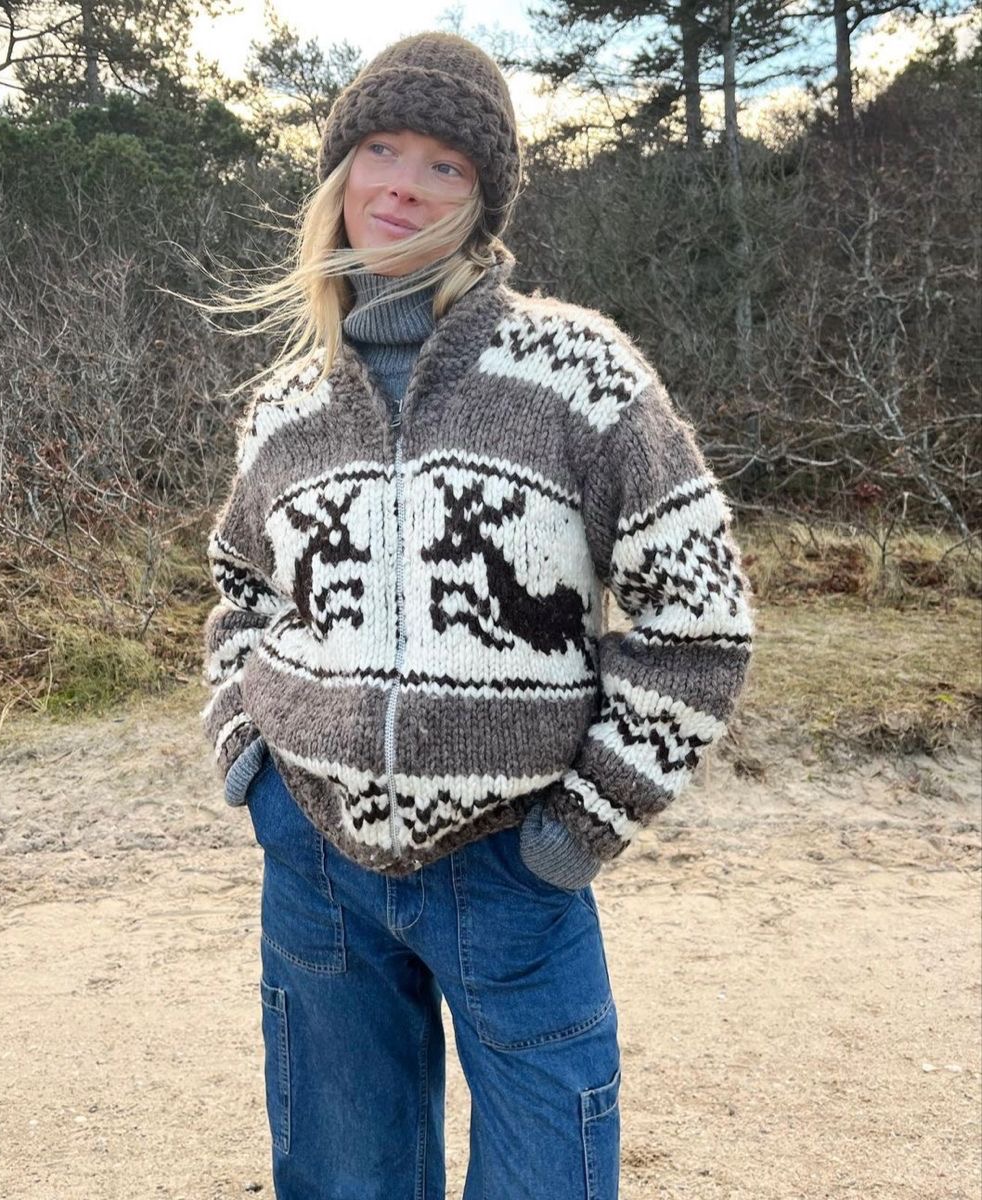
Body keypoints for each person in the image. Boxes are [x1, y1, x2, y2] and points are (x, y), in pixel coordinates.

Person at [199, 31, 755, 1200]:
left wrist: (582, 826)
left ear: (483, 199)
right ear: (339, 171)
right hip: (316, 869)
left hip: (514, 870)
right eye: (380, 149)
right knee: (344, 1180)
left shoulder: (579, 373)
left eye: (444, 164)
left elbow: (698, 620)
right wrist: (251, 763)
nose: (402, 184)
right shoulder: (283, 407)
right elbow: (242, 594)